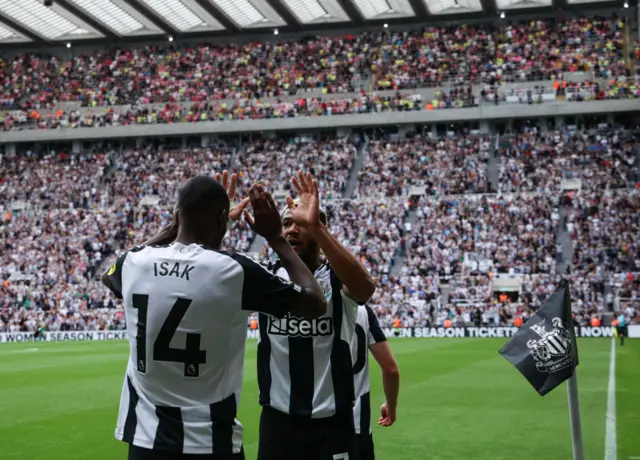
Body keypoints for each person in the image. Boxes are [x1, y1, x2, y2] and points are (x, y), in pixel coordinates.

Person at [102, 172, 328, 460]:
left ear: (177, 214)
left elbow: (110, 277)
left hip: (146, 441)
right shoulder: (233, 271)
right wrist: (274, 237)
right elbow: (315, 302)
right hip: (212, 441)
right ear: (221, 217)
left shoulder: (133, 263)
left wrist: (181, 224)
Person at [256, 170, 376, 460]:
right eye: (286, 224)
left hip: (332, 423)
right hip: (278, 423)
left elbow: (365, 289)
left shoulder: (336, 278)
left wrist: (318, 229)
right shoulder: (266, 278)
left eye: (299, 223)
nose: (291, 230)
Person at [351, 305, 400, 460]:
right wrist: (391, 407)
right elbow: (391, 369)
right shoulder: (361, 310)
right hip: (355, 421)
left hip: (295, 422)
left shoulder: (295, 302)